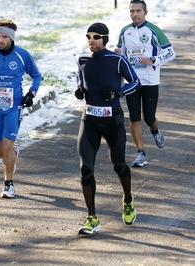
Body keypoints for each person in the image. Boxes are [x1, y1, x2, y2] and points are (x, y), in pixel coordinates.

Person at [75, 22, 140, 235]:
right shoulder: (82, 59)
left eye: (96, 36)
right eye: (88, 36)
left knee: (119, 165)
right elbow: (80, 79)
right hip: (89, 120)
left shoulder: (117, 60)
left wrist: (118, 93)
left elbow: (135, 82)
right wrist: (79, 89)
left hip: (113, 120)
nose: (91, 40)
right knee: (86, 169)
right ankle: (91, 217)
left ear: (105, 39)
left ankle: (128, 199)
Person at [0, 19, 42, 198]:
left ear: (11, 38)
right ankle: (11, 153)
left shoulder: (21, 55)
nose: (0, 40)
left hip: (14, 107)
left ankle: (8, 185)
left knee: (6, 147)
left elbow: (36, 75)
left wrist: (31, 94)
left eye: (4, 37)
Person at [115, 0, 175, 167]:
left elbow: (171, 53)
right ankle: (141, 153)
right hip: (132, 81)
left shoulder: (153, 30)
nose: (135, 14)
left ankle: (154, 130)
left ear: (145, 12)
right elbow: (121, 55)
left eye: (138, 11)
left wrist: (153, 59)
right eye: (132, 11)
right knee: (134, 119)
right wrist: (117, 55)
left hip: (150, 80)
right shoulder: (124, 31)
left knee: (148, 118)